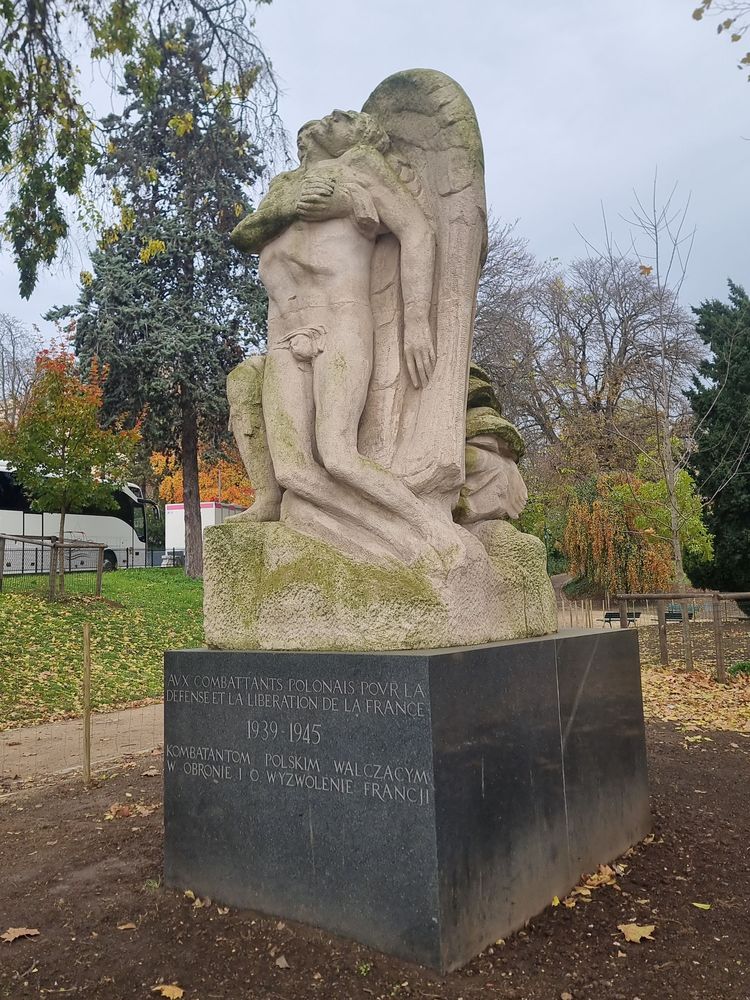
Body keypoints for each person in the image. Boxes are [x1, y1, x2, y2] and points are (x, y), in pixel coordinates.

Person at [230, 110, 463, 563]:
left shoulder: (362, 166)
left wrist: (417, 320)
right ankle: (391, 539)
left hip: (340, 321)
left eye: (343, 118)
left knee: (337, 453)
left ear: (362, 134)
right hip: (283, 330)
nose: (330, 118)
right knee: (293, 471)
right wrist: (288, 209)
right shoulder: (283, 188)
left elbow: (416, 231)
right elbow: (244, 235)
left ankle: (421, 527)